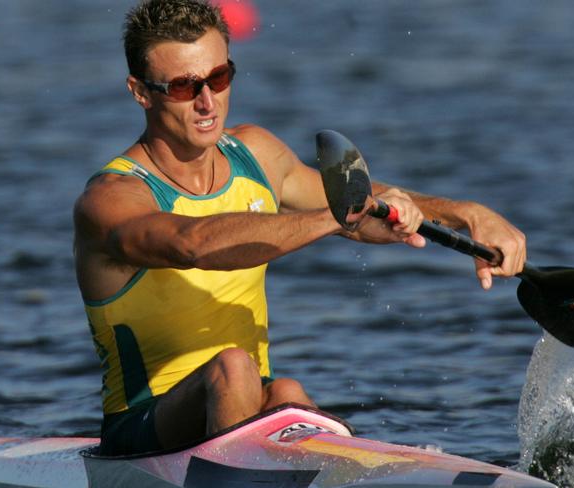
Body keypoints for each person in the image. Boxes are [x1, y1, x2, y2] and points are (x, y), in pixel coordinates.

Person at [73, 0, 526, 456]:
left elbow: (358, 206)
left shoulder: (256, 154)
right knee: (233, 367)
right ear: (140, 91)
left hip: (248, 404)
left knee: (286, 390)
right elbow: (192, 245)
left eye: (219, 78)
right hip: (141, 429)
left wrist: (466, 214)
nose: (208, 102)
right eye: (182, 87)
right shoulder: (111, 199)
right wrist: (340, 216)